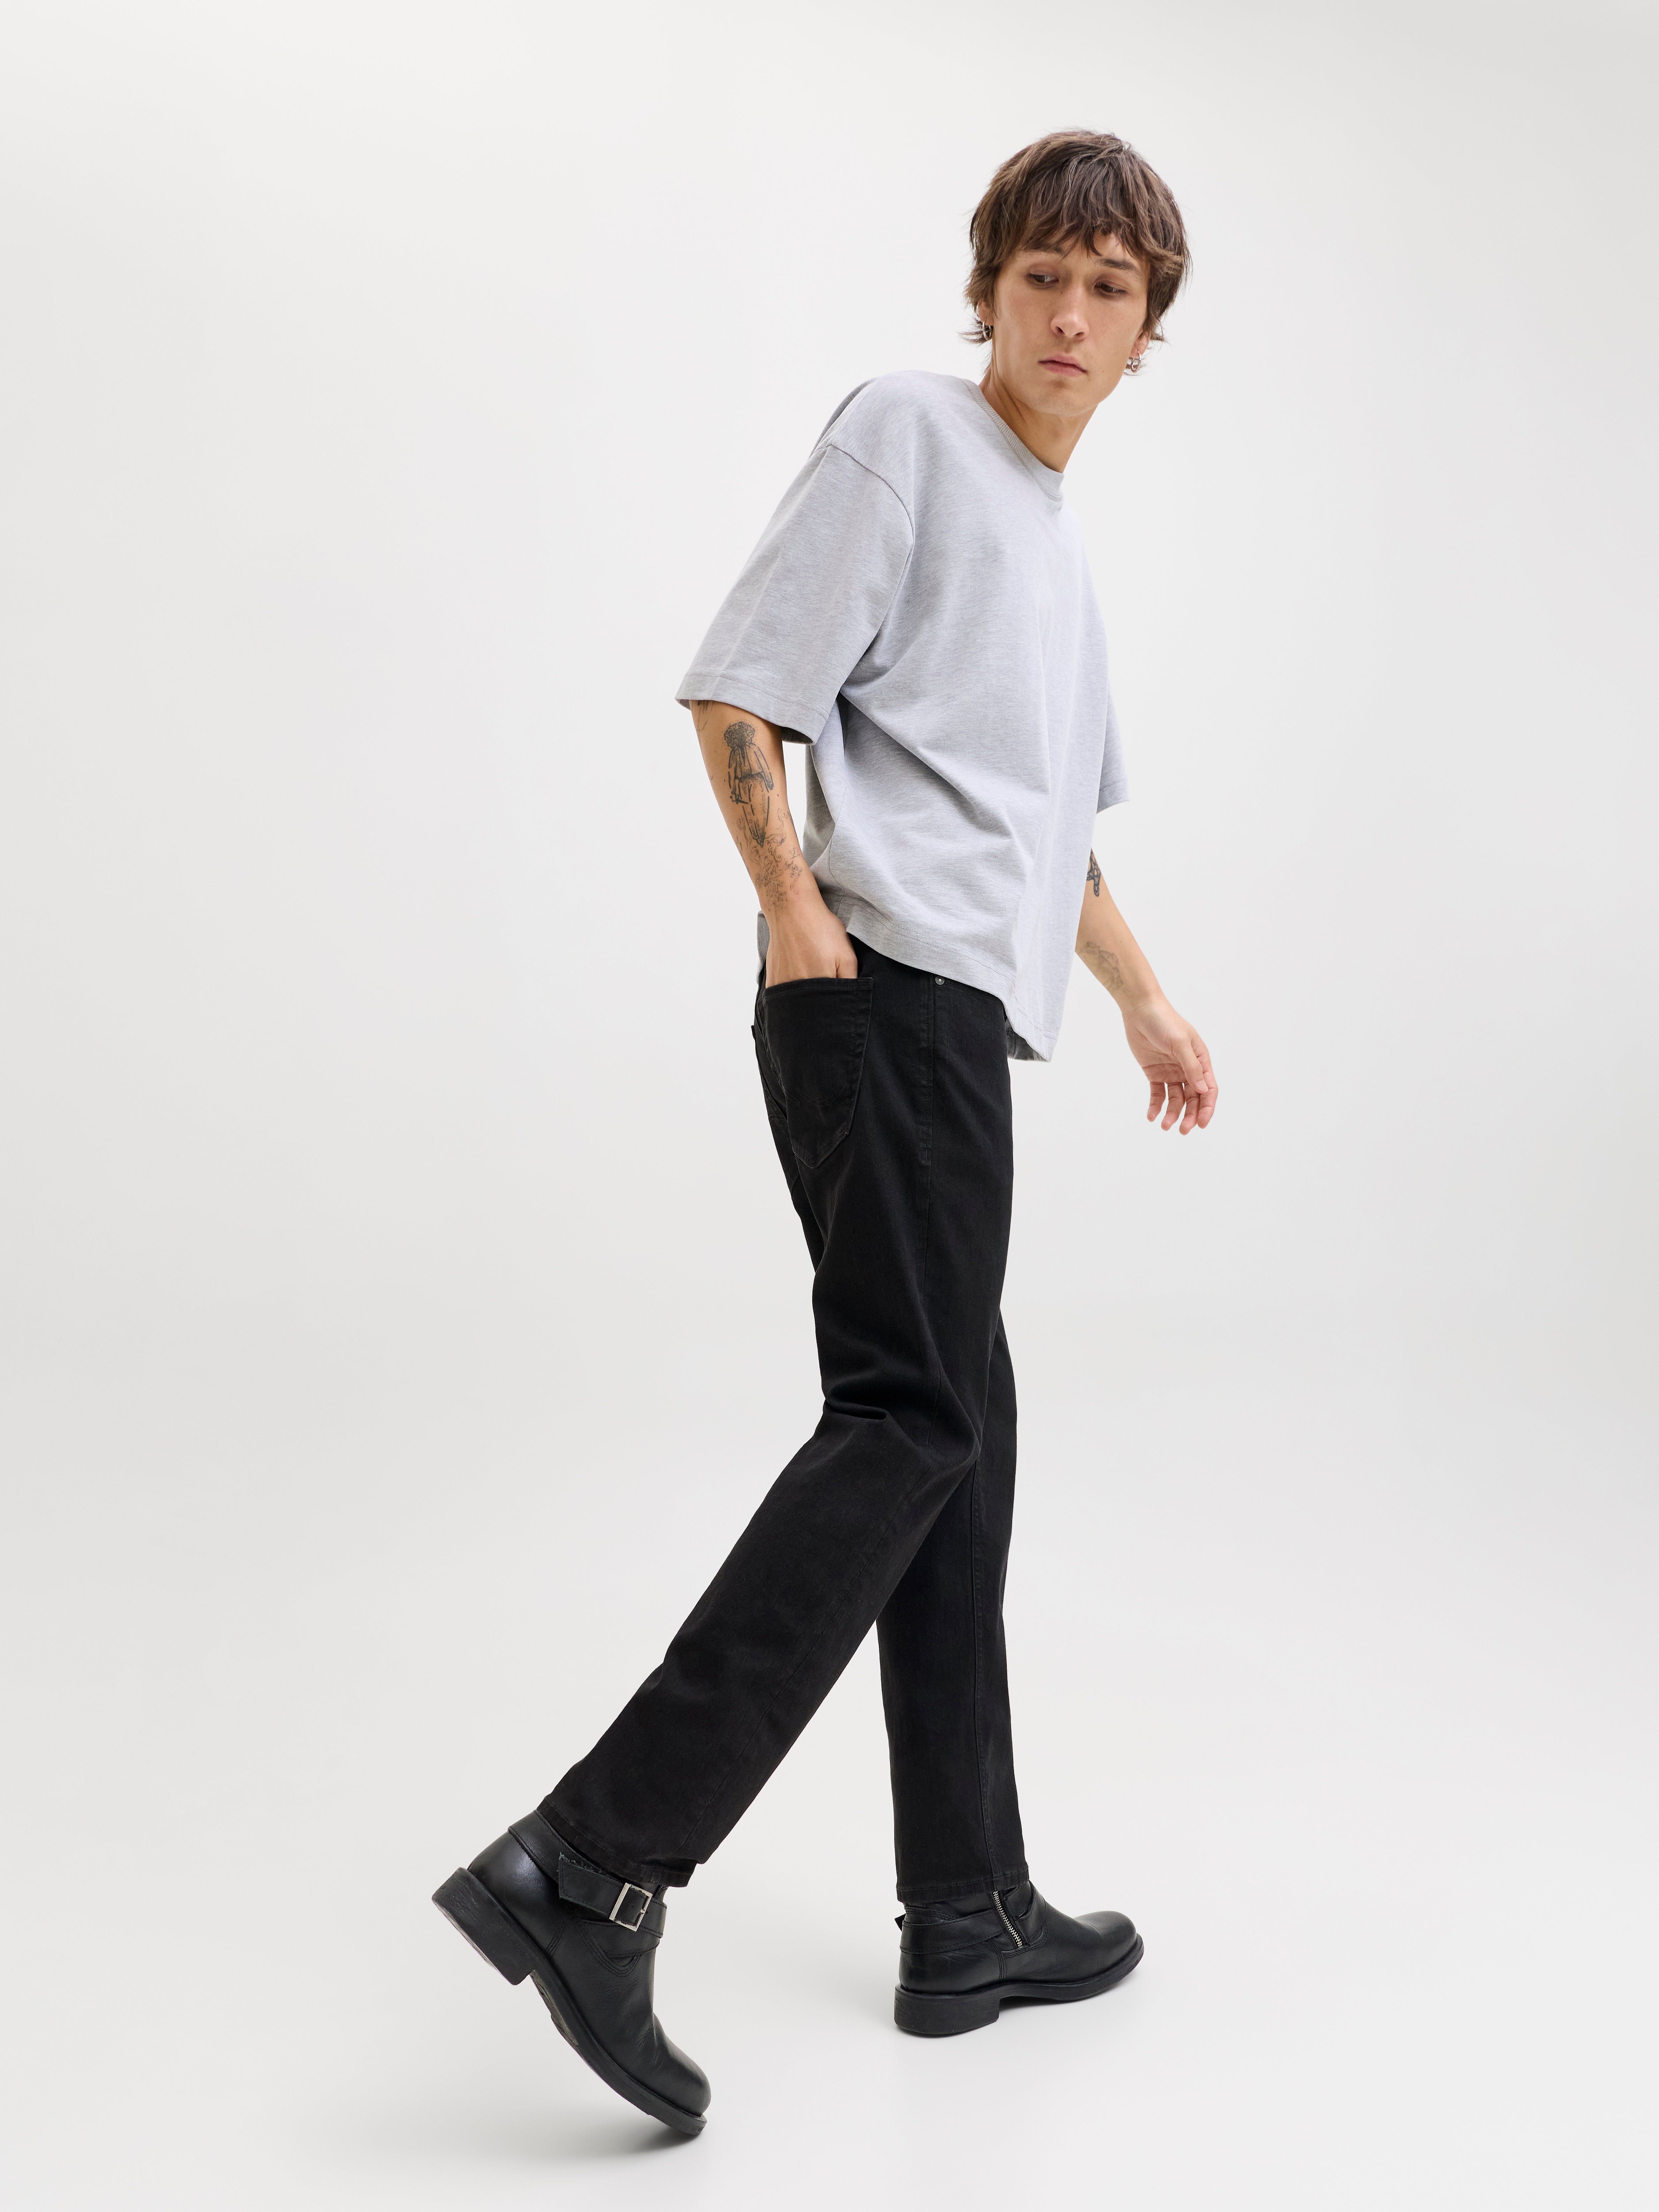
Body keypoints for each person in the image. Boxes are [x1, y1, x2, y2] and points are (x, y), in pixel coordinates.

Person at [434, 128, 1217, 2137]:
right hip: (883, 996)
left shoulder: (1057, 550)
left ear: (1147, 329)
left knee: (963, 1435)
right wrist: (793, 907)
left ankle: (966, 1913)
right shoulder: (907, 434)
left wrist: (1143, 996)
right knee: (909, 1418)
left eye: (1108, 290)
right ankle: (591, 1860)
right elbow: (745, 689)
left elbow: (1045, 835)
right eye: (1040, 278)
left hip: (956, 1009)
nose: (1068, 316)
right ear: (990, 291)